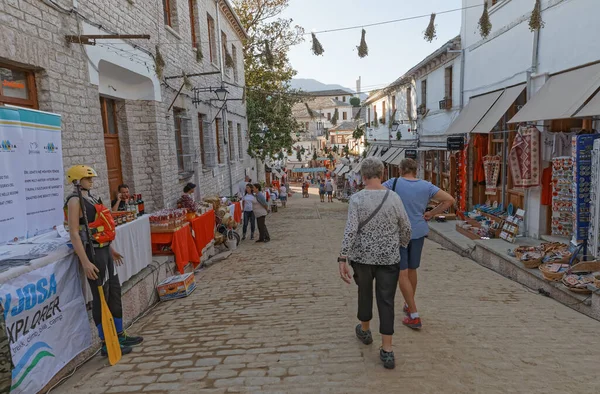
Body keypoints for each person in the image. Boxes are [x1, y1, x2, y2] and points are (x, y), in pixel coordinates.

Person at [338, 157, 411, 370]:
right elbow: (406, 228)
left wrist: (343, 257)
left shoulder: (357, 199)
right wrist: (399, 246)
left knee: (364, 293)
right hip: (389, 258)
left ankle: (365, 329)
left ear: (363, 176)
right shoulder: (394, 197)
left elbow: (351, 230)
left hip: (362, 258)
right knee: (386, 300)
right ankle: (387, 350)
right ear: (382, 174)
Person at [65, 165, 143, 357]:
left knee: (114, 292)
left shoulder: (90, 197)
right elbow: (75, 233)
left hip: (105, 251)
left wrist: (111, 249)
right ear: (77, 180)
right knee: (101, 297)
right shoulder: (75, 201)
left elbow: (100, 226)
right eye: (87, 179)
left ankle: (119, 334)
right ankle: (106, 343)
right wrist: (85, 262)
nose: (91, 182)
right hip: (93, 256)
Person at [383, 158, 455, 330]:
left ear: (400, 169)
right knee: (413, 269)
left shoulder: (393, 183)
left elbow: (372, 193)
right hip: (418, 231)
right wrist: (432, 213)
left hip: (398, 233)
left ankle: (414, 315)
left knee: (402, 272)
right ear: (416, 170)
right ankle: (409, 304)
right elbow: (449, 200)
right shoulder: (426, 186)